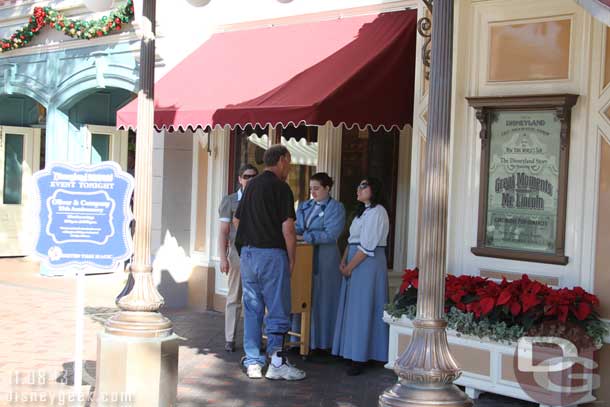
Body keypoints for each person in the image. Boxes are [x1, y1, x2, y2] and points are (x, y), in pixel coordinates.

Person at [234, 144, 306, 381]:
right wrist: (291, 258)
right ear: (283, 160)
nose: (290, 166)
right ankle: (276, 362)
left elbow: (237, 220)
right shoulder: (281, 188)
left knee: (253, 309)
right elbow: (288, 228)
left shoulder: (251, 185)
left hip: (248, 254)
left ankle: (253, 362)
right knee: (277, 309)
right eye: (289, 160)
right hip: (272, 255)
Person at [332, 177, 390, 376]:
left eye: (364, 185)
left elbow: (367, 246)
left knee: (364, 307)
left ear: (374, 189)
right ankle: (351, 351)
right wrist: (343, 259)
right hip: (355, 259)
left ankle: (362, 355)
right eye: (359, 185)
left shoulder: (377, 212)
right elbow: (352, 239)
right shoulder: (361, 212)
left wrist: (349, 267)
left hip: (367, 262)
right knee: (353, 307)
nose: (359, 188)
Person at [292, 173, 345, 352]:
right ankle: (299, 340)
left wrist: (305, 236)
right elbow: (297, 227)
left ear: (327, 188)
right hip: (304, 259)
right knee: (302, 296)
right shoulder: (304, 206)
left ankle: (322, 344)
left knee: (323, 299)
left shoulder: (336, 208)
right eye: (311, 188)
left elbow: (331, 235)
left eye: (316, 188)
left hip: (325, 260)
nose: (312, 192)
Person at [218, 164, 259, 352]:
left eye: (253, 176)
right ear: (240, 179)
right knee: (235, 295)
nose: (250, 180)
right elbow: (223, 232)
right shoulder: (230, 201)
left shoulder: (262, 199)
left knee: (257, 298)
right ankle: (230, 338)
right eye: (247, 176)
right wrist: (223, 258)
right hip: (237, 252)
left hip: (259, 251)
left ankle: (256, 339)